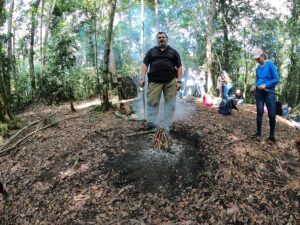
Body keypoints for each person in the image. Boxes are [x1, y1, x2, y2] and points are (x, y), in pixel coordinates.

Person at [139, 31, 182, 130]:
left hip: (170, 81)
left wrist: (179, 81)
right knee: (152, 102)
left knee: (170, 103)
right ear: (157, 40)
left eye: (163, 37)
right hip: (154, 81)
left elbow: (179, 67)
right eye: (159, 37)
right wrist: (142, 78)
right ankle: (152, 123)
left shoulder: (173, 52)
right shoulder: (151, 51)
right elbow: (145, 65)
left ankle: (167, 124)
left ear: (167, 39)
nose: (161, 39)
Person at [250, 48, 280, 143]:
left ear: (262, 56)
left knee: (271, 114)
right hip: (259, 93)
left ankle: (271, 136)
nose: (257, 60)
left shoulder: (270, 65)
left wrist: (266, 85)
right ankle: (258, 132)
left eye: (258, 58)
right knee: (259, 112)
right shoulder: (258, 68)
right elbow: (258, 80)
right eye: (256, 59)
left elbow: (276, 79)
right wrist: (255, 85)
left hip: (269, 93)